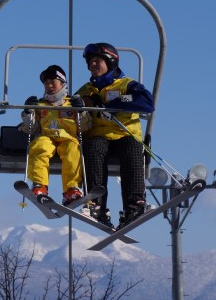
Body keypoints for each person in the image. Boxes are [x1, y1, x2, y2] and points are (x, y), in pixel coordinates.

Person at [73, 43, 155, 229]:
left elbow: (148, 103)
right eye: (90, 62)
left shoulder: (128, 85)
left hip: (124, 134)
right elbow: (69, 109)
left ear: (110, 62)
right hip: (98, 135)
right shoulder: (86, 90)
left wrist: (116, 104)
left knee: (133, 148)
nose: (93, 65)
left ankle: (134, 204)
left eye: (97, 61)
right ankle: (96, 205)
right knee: (94, 147)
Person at [19, 64, 85, 206]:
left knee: (73, 151)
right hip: (47, 136)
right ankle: (39, 186)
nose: (49, 86)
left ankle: (71, 189)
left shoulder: (72, 104)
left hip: (68, 138)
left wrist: (82, 111)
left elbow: (85, 127)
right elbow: (31, 128)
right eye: (46, 83)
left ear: (62, 83)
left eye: (52, 82)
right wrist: (28, 112)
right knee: (39, 146)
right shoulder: (40, 105)